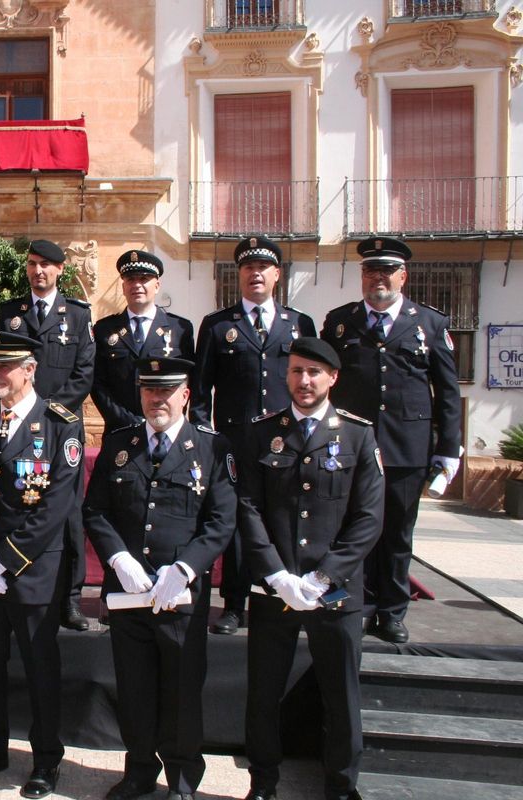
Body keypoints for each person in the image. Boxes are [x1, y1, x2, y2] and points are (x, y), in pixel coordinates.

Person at [237, 337, 385, 800]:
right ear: (287, 375)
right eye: (297, 371)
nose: (304, 381)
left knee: (341, 696)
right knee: (263, 695)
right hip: (275, 587)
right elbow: (247, 507)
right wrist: (277, 575)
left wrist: (323, 577)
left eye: (314, 373)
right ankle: (263, 782)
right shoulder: (262, 432)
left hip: (335, 590)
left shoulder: (359, 434)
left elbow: (369, 519)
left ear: (332, 378)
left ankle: (340, 786)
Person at [83, 357, 236, 800]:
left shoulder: (211, 447)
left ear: (185, 395)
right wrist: (117, 559)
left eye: (166, 391)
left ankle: (183, 780)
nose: (157, 399)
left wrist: (187, 567)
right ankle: (139, 772)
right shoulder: (119, 444)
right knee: (134, 689)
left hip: (180, 599)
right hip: (129, 597)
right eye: (149, 391)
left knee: (182, 693)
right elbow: (95, 510)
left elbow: (221, 520)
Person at [0, 331, 83, 800]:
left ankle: (46, 761)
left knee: (39, 669)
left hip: (31, 572)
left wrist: (5, 561)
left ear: (30, 369)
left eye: (5, 367)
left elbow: (55, 505)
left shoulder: (61, 424)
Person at [321, 236, 460, 644]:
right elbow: (326, 381)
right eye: (369, 270)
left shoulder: (430, 324)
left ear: (403, 276)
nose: (377, 278)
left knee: (398, 533)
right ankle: (358, 604)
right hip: (352, 448)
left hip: (406, 448)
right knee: (353, 530)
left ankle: (392, 611)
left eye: (385, 271)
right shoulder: (340, 322)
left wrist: (448, 448)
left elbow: (447, 392)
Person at [191, 236, 316, 636]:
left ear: (276, 275)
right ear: (239, 275)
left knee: (282, 520)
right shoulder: (218, 325)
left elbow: (309, 385)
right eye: (247, 268)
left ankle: (278, 594)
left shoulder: (298, 324)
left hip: (285, 445)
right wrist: (207, 437)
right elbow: (201, 389)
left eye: (263, 268)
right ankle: (232, 603)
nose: (255, 274)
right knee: (234, 524)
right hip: (234, 444)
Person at [0, 239, 93, 631]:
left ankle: (70, 599)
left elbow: (84, 374)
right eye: (33, 264)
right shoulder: (10, 315)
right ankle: (9, 582)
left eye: (47, 265)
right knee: (17, 502)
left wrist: (47, 415)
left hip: (63, 429)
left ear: (60, 270)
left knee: (68, 515)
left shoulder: (78, 315)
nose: (39, 271)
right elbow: (4, 369)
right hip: (17, 429)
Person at [91, 250, 195, 431]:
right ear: (123, 287)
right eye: (131, 279)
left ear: (157, 285)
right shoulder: (104, 329)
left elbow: (189, 380)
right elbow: (98, 384)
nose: (137, 285)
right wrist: (125, 420)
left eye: (144, 279)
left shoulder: (180, 328)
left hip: (166, 429)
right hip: (119, 431)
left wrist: (167, 420)